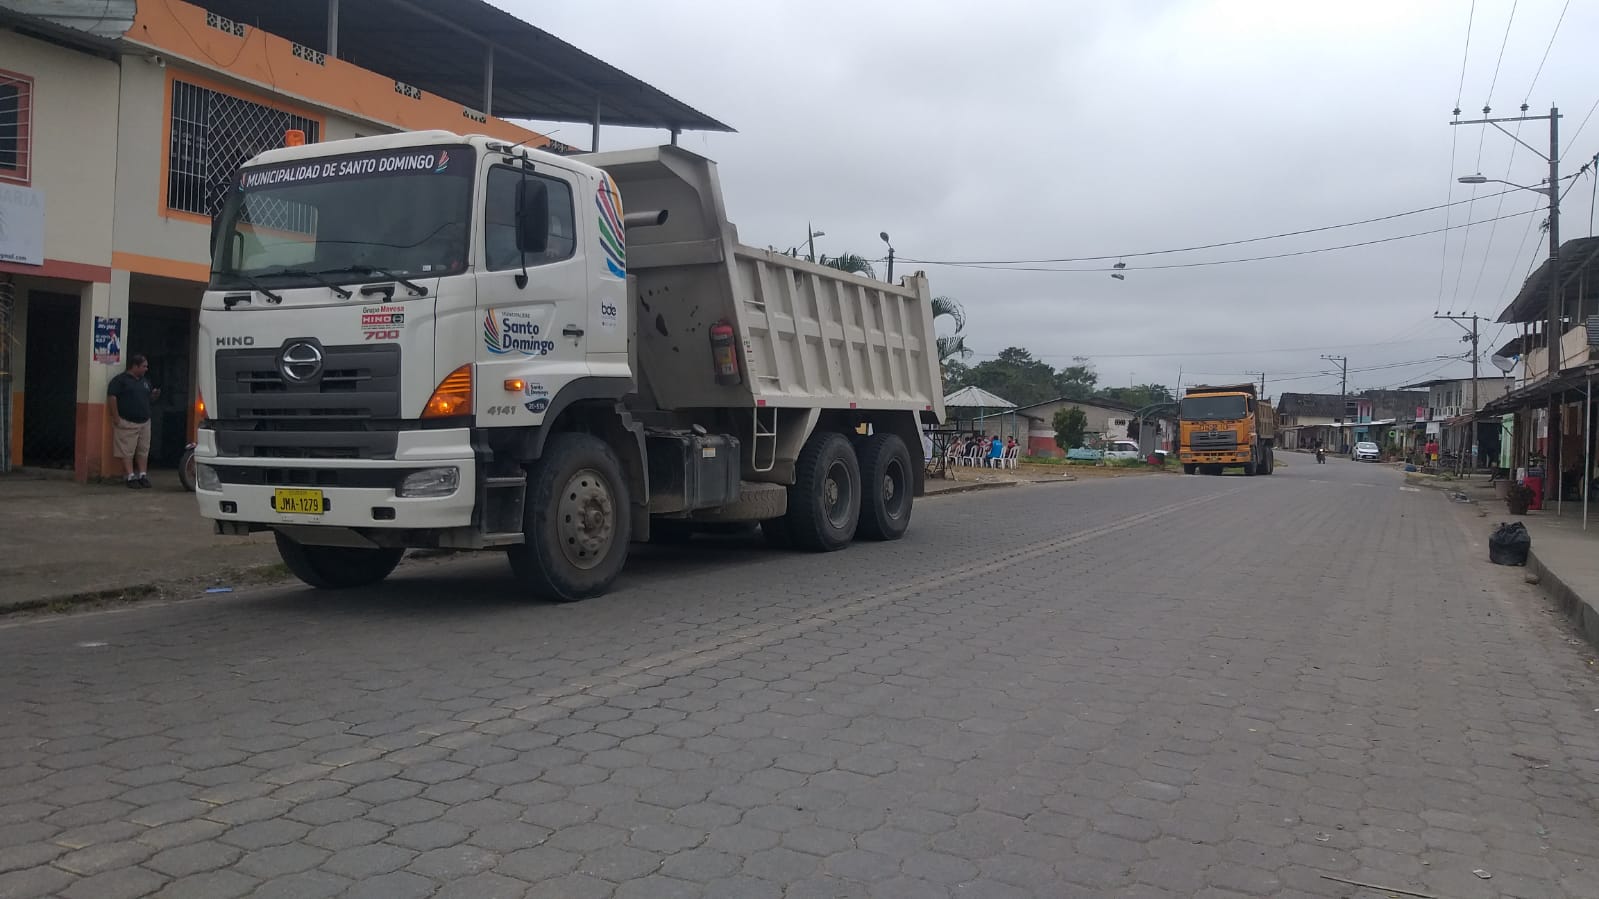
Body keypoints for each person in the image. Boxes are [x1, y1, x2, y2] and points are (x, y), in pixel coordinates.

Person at [108, 354, 160, 488]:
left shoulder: (145, 381)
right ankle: (130, 476)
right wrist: (116, 418)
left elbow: (149, 399)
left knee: (143, 450)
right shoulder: (120, 381)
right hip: (127, 422)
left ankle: (142, 475)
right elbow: (112, 397)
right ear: (135, 366)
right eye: (144, 366)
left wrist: (154, 396)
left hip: (144, 422)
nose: (146, 369)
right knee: (127, 451)